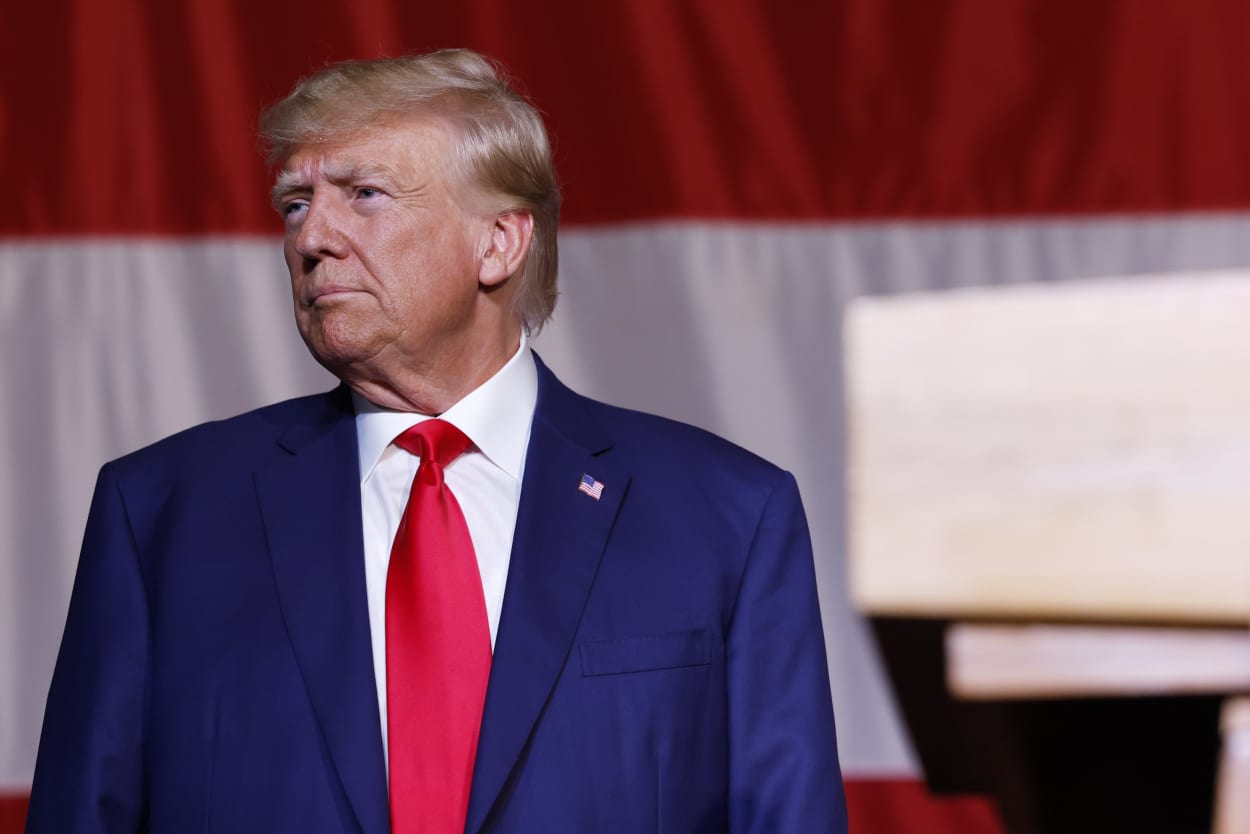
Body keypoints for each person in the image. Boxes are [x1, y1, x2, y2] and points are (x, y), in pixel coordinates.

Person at [26, 49, 848, 834]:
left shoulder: (727, 517)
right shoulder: (160, 514)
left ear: (498, 242)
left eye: (366, 194)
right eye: (295, 204)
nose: (312, 239)